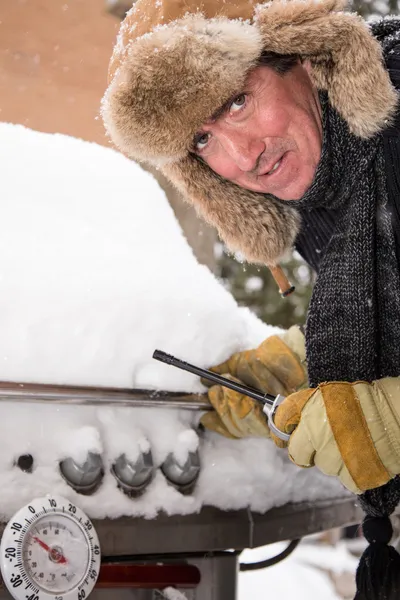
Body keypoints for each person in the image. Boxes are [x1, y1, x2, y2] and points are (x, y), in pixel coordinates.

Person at [102, 0, 400, 596]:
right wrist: (304, 360)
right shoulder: (332, 178)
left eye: (236, 101)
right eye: (204, 138)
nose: (243, 159)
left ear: (304, 54)